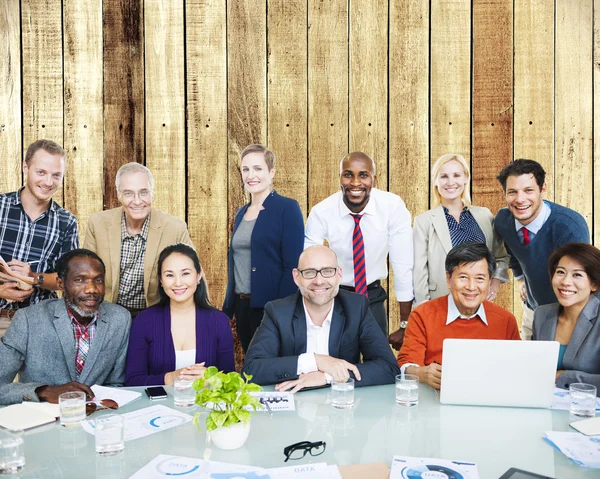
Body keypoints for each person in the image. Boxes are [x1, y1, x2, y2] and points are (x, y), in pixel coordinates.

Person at [242, 245, 400, 392]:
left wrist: (327, 377)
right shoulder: (278, 312)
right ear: (297, 277)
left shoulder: (356, 307)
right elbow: (251, 370)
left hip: (342, 408)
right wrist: (315, 361)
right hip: (295, 405)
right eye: (309, 272)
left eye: (327, 271)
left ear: (339, 274)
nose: (318, 281)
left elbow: (388, 368)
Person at [304, 152, 413, 348]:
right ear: (339, 178)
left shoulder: (392, 207)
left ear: (374, 179)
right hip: (335, 297)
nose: (355, 182)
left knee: (380, 362)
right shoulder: (322, 212)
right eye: (348, 175)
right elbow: (309, 265)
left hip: (372, 295)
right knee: (338, 366)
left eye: (363, 175)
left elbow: (402, 264)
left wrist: (405, 324)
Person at [0, 249, 130, 405]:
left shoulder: (120, 319)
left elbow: (116, 385)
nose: (92, 289)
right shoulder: (28, 320)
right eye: (80, 280)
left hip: (96, 421)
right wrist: (44, 391)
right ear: (61, 284)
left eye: (98, 280)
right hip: (41, 421)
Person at [397, 242, 520, 390]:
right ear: (449, 279)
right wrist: (422, 373)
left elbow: (517, 368)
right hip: (436, 401)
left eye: (480, 278)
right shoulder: (422, 315)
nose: (471, 287)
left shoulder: (505, 320)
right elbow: (406, 365)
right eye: (463, 277)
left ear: (489, 280)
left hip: (489, 401)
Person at [495, 159, 590, 340]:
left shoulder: (569, 226)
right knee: (528, 364)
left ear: (542, 189)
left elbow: (580, 278)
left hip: (569, 312)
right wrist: (521, 278)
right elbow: (512, 253)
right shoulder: (503, 221)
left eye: (528, 190)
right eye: (512, 192)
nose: (520, 199)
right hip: (533, 309)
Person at [84, 162, 193, 319]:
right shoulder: (97, 223)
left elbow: (193, 277)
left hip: (156, 315)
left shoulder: (175, 228)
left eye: (143, 192)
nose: (137, 201)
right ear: (118, 194)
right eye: (129, 193)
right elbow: (85, 275)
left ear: (152, 194)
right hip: (106, 313)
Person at [223, 145, 304, 352]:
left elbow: (292, 266)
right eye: (246, 169)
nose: (251, 175)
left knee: (269, 368)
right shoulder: (241, 213)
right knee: (251, 368)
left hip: (270, 309)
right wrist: (227, 310)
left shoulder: (287, 208)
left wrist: (280, 311)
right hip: (242, 308)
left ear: (272, 172)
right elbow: (236, 263)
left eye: (258, 169)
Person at [0, 139, 79, 336]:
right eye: (41, 172)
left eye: (56, 175)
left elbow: (67, 280)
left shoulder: (67, 222)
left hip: (40, 325)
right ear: (26, 167)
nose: (48, 182)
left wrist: (34, 277)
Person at [125, 243, 235, 386]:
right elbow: (132, 381)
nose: (178, 282)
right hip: (157, 407)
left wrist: (213, 378)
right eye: (169, 275)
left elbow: (232, 379)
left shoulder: (219, 321)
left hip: (206, 406)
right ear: (161, 280)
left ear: (198, 275)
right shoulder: (144, 321)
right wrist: (170, 378)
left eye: (185, 273)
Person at [413, 154, 509, 305]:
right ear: (436, 181)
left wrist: (495, 283)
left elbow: (501, 257)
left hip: (479, 302)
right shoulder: (424, 221)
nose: (450, 182)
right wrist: (424, 306)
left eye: (456, 175)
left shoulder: (485, 215)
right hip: (440, 301)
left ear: (465, 178)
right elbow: (419, 270)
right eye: (444, 176)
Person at [532, 243, 600, 393]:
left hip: (590, 411)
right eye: (560, 272)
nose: (565, 282)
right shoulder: (542, 315)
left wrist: (564, 377)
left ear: (594, 284)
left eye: (577, 275)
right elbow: (534, 367)